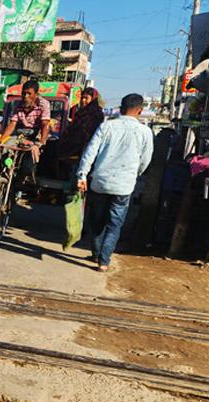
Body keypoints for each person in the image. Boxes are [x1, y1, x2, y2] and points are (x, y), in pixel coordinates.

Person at [76, 93, 153, 272]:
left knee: (96, 221)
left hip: (100, 182)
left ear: (120, 107)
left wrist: (82, 175)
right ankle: (104, 262)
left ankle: (96, 253)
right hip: (124, 186)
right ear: (140, 111)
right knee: (115, 224)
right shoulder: (145, 132)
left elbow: (90, 152)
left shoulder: (106, 126)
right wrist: (136, 174)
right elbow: (145, 160)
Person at [0, 80, 51, 146]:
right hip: (20, 133)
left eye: (29, 94)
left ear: (36, 94)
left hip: (36, 133)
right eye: (24, 93)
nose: (26, 96)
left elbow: (45, 123)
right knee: (6, 145)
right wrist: (1, 139)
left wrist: (42, 140)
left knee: (34, 150)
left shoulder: (44, 104)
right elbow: (12, 123)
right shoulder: (17, 104)